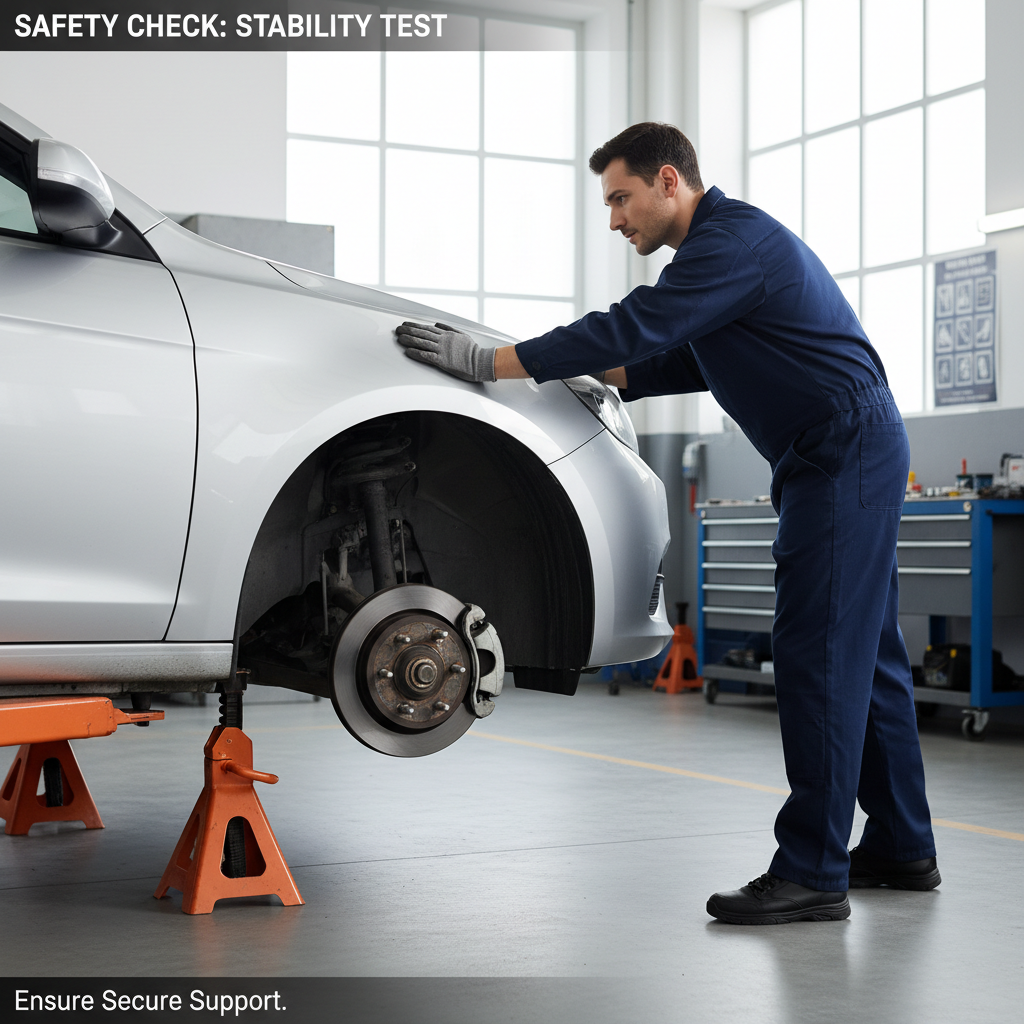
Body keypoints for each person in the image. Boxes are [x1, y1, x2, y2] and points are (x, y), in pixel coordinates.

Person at [396, 122, 940, 925]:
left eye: (621, 197)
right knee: (869, 655)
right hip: (834, 451)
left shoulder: (728, 246)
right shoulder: (718, 266)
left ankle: (814, 870)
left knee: (818, 654)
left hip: (842, 450)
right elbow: (656, 361)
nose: (615, 219)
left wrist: (494, 360)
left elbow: (633, 326)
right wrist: (554, 378)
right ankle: (901, 845)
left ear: (669, 182)